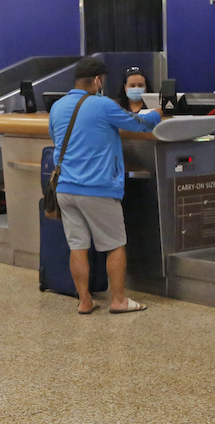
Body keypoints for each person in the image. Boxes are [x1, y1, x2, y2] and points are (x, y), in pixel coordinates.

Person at [49, 57, 161, 315]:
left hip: (65, 188)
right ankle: (119, 300)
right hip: (97, 187)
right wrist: (158, 114)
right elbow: (139, 124)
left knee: (78, 246)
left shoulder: (57, 106)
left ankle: (85, 301)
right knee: (115, 244)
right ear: (98, 80)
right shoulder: (103, 104)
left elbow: (56, 138)